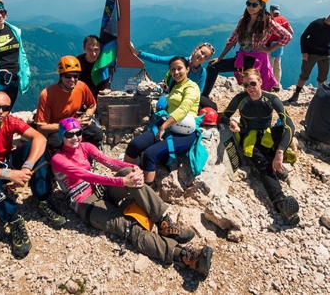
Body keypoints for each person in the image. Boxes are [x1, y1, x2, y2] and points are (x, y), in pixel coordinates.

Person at [51, 117, 213, 275]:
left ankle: (164, 222)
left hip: (100, 190)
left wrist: (133, 168)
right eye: (69, 134)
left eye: (77, 132)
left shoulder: (85, 146)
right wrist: (121, 182)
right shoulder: (58, 159)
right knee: (131, 228)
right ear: (62, 136)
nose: (75, 137)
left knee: (130, 174)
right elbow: (86, 175)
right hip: (85, 202)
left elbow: (108, 161)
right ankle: (185, 256)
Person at [0, 91, 66, 259]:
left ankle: (43, 199)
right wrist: (9, 174)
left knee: (34, 149)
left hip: (4, 163)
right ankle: (13, 218)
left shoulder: (10, 121)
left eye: (5, 108)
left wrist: (26, 167)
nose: (0, 111)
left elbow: (39, 139)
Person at [220, 68, 300, 226]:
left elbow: (289, 124)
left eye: (253, 83)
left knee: (284, 129)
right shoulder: (240, 99)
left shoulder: (271, 99)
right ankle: (280, 202)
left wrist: (280, 151)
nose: (250, 87)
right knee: (264, 165)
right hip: (249, 137)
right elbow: (223, 116)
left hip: (267, 135)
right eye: (246, 85)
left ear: (260, 82)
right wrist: (231, 123)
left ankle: (274, 159)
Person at [124, 56, 200, 186]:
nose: (175, 72)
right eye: (172, 69)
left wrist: (163, 127)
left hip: (185, 132)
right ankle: (124, 177)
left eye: (179, 68)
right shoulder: (175, 84)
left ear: (188, 69)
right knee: (134, 145)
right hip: (170, 125)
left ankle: (143, 193)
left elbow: (183, 109)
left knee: (150, 154)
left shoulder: (191, 87)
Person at [203, 0, 291, 97]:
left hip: (256, 61)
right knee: (213, 66)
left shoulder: (267, 21)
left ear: (262, 6)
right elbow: (232, 39)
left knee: (250, 86)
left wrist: (269, 50)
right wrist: (220, 58)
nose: (250, 7)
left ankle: (254, 105)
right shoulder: (243, 19)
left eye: (254, 5)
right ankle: (203, 97)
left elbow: (287, 36)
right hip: (242, 57)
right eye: (248, 3)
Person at [35, 55, 103, 154]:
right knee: (56, 143)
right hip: (56, 129)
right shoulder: (47, 94)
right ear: (61, 76)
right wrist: (69, 125)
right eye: (68, 76)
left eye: (75, 76)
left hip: (77, 124)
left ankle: (86, 158)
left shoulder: (81, 87)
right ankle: (60, 166)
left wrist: (86, 117)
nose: (72, 79)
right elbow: (41, 128)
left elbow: (92, 105)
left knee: (96, 134)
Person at [128, 41, 218, 110]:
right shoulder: (179, 61)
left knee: (213, 107)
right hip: (174, 91)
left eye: (205, 57)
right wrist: (137, 52)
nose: (202, 57)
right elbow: (158, 59)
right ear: (196, 49)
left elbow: (199, 91)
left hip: (189, 94)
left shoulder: (203, 72)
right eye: (202, 52)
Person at [286, 9, 330, 104]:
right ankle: (296, 94)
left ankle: (319, 98)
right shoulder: (317, 23)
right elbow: (304, 36)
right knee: (304, 75)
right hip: (311, 53)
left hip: (326, 55)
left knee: (323, 78)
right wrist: (304, 52)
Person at [267, 4, 294, 92]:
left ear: (270, 10)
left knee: (269, 66)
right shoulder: (284, 20)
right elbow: (291, 32)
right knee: (277, 66)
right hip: (279, 46)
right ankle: (277, 85)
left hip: (269, 45)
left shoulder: (269, 20)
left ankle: (269, 85)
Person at [77, 35, 110, 99]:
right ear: (84, 48)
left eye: (96, 49)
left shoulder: (105, 64)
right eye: (89, 49)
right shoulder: (77, 63)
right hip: (81, 98)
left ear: (101, 49)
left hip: (100, 99)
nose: (93, 53)